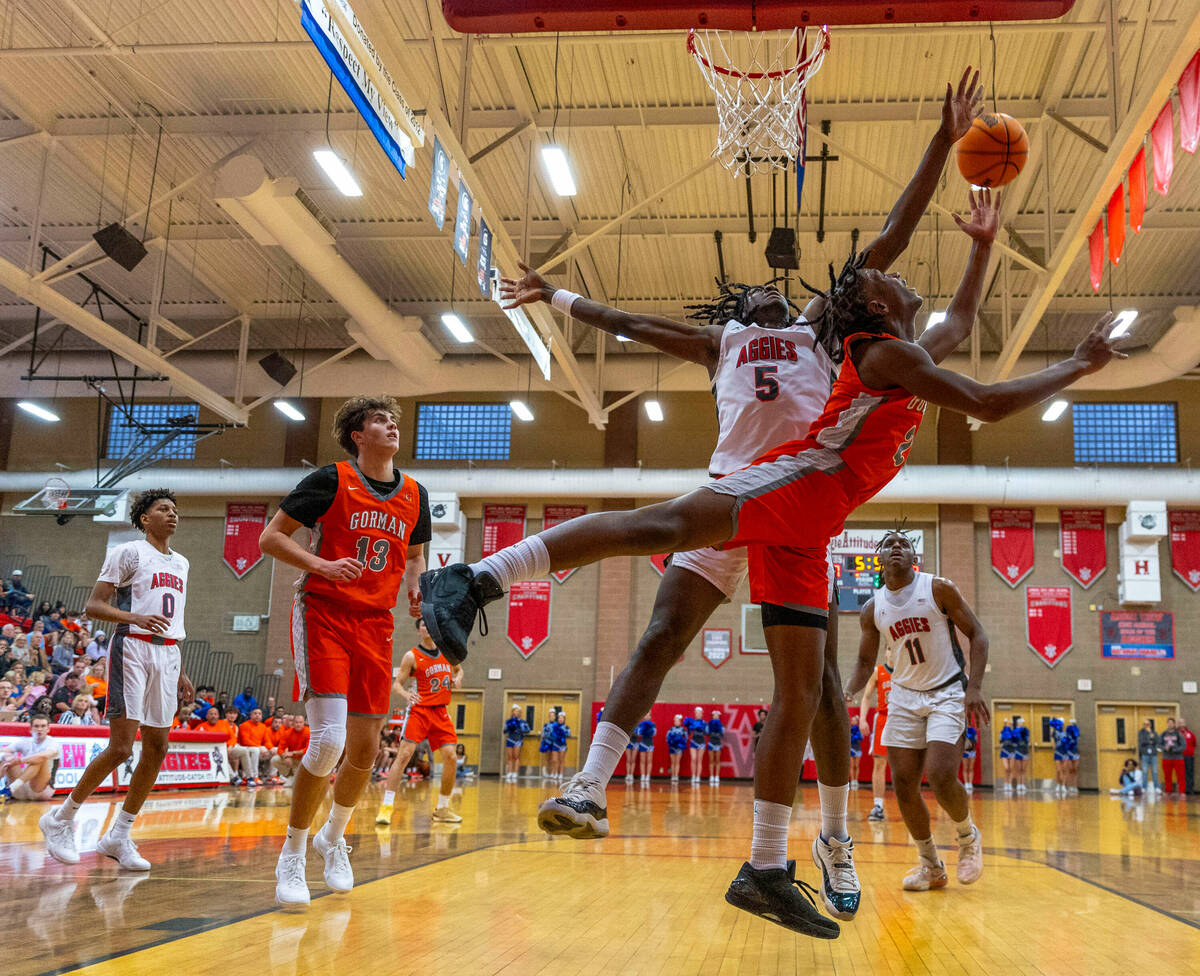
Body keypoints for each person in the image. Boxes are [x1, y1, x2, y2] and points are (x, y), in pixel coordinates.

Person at [421, 189, 1123, 939]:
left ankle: (770, 864)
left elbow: (925, 290)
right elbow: (972, 386)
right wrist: (555, 295)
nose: (867, 276)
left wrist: (980, 239)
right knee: (657, 559)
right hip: (776, 479)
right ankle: (477, 581)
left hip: (810, 519)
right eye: (868, 281)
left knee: (805, 688)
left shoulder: (843, 338)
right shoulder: (838, 344)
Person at [519, 68, 987, 930]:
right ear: (742, 302)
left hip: (800, 514)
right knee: (659, 633)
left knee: (821, 700)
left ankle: (834, 840)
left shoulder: (829, 326)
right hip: (732, 498)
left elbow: (896, 228)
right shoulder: (721, 338)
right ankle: (588, 783)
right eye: (760, 290)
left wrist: (941, 139)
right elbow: (627, 324)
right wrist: (557, 296)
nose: (776, 289)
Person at [259, 395, 431, 910]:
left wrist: (418, 590)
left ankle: (332, 837)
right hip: (324, 613)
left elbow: (416, 556)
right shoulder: (330, 480)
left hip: (376, 623)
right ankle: (291, 851)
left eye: (393, 419)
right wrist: (321, 565)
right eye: (380, 420)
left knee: (364, 750)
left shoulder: (416, 494)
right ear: (358, 434)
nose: (391, 425)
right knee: (329, 739)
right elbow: (271, 538)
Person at [39, 489, 194, 872]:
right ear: (145, 518)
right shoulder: (128, 552)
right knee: (122, 747)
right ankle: (60, 819)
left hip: (168, 653)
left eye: (175, 510)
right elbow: (94, 605)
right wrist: (134, 619)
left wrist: (182, 669)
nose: (172, 515)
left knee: (157, 748)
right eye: (163, 509)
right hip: (133, 647)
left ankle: (119, 835)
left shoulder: (182, 563)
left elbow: (172, 621)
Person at [845, 530, 988, 890]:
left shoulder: (937, 589)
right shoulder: (872, 608)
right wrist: (846, 692)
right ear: (879, 558)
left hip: (946, 692)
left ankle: (968, 839)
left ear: (913, 556)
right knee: (904, 786)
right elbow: (865, 661)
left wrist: (974, 687)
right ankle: (931, 865)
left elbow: (979, 634)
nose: (896, 547)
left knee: (941, 776)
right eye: (888, 544)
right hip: (905, 698)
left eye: (903, 543)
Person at [375, 618, 464, 826]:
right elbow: (396, 684)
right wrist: (406, 695)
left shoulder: (448, 652)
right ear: (418, 631)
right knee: (404, 755)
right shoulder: (411, 656)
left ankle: (442, 808)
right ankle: (386, 808)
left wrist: (458, 678)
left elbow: (459, 670)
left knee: (451, 756)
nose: (427, 627)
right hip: (420, 711)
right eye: (423, 625)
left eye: (429, 624)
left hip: (441, 712)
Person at [859, 650, 893, 822]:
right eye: (889, 649)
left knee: (908, 765)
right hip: (883, 720)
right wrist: (862, 719)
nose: (892, 651)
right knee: (879, 763)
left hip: (904, 719)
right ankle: (878, 806)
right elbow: (866, 696)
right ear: (886, 653)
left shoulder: (907, 671)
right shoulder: (878, 671)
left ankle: (909, 804)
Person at [2, 715, 58, 800]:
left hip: (40, 789)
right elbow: (4, 750)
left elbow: (43, 756)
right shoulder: (24, 741)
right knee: (7, 758)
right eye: (36, 726)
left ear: (48, 729)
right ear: (31, 729)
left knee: (40, 759)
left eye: (43, 726)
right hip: (21, 789)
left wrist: (20, 761)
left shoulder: (53, 743)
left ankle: (12, 788)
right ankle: (8, 790)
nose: (39, 729)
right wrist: (7, 758)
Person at [237, 707, 274, 785]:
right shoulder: (244, 725)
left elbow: (266, 740)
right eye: (255, 713)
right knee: (255, 750)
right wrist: (259, 747)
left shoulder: (263, 726)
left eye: (259, 714)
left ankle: (271, 776)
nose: (257, 715)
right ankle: (254, 776)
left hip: (258, 749)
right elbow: (245, 741)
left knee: (275, 751)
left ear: (261, 716)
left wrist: (271, 748)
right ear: (251, 715)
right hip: (246, 749)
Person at [503, 706, 530, 782]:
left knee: (516, 756)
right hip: (510, 740)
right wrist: (509, 727)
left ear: (520, 713)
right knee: (510, 757)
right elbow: (504, 731)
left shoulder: (523, 722)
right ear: (512, 712)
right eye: (515, 711)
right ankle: (510, 772)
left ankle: (515, 772)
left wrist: (521, 729)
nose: (516, 713)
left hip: (518, 740)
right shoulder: (508, 721)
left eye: (518, 711)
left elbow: (528, 730)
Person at [1161, 718, 1185, 796]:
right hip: (1166, 758)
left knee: (1180, 776)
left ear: (1174, 724)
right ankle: (1168, 791)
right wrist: (1165, 748)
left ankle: (1181, 792)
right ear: (1167, 724)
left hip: (1178, 758)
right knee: (1167, 776)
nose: (1170, 724)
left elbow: (1183, 746)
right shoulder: (1163, 734)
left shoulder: (1178, 734)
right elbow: (1158, 745)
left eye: (1171, 723)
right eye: (1168, 723)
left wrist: (1175, 749)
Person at [686, 706, 708, 785]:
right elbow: (688, 733)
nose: (698, 714)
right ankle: (693, 776)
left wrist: (702, 728)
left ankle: (698, 776)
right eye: (696, 713)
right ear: (695, 714)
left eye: (699, 713)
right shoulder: (692, 722)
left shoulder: (704, 723)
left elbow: (707, 733)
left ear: (702, 714)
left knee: (699, 759)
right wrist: (688, 727)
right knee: (693, 758)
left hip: (701, 742)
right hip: (693, 742)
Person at [1139, 720, 1161, 795]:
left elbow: (1157, 741)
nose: (1146, 725)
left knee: (1154, 771)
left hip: (1153, 754)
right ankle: (1144, 788)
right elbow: (1142, 742)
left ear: (1150, 725)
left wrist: (1151, 734)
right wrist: (1150, 741)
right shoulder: (1141, 733)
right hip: (1145, 754)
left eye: (1148, 724)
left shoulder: (1154, 732)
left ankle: (1157, 787)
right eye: (1145, 724)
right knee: (1145, 772)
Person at [633, 714, 657, 785]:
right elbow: (638, 733)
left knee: (649, 760)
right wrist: (643, 730)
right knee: (642, 760)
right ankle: (643, 775)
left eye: (648, 715)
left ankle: (648, 776)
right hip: (643, 743)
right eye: (645, 715)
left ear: (650, 717)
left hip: (650, 744)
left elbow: (654, 734)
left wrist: (650, 731)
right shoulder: (641, 724)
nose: (647, 717)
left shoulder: (653, 724)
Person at [1012, 716, 1031, 793]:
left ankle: (1023, 784)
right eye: (1020, 723)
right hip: (1017, 751)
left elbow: (1028, 740)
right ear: (1017, 723)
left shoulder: (1026, 731)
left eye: (1022, 723)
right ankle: (1018, 784)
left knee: (1024, 769)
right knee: (1018, 769)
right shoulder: (1015, 731)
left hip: (1025, 751)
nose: (1021, 724)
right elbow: (1014, 741)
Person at [666, 715, 688, 782]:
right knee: (673, 762)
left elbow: (686, 738)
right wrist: (671, 743)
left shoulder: (683, 730)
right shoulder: (671, 729)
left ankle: (676, 776)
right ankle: (673, 775)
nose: (677, 722)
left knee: (677, 762)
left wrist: (681, 744)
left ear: (680, 722)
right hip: (672, 747)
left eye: (678, 721)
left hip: (679, 748)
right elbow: (667, 738)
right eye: (675, 721)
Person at [707, 710, 725, 786]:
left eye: (717, 715)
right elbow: (707, 732)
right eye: (714, 715)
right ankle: (711, 776)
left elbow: (723, 733)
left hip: (718, 743)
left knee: (717, 760)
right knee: (711, 760)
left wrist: (719, 727)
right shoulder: (709, 723)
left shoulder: (721, 724)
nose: (715, 716)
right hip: (711, 742)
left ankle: (717, 776)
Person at [550, 711, 571, 780]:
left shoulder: (566, 727)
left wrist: (563, 732)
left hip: (562, 745)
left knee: (561, 760)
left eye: (562, 718)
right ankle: (555, 772)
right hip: (555, 744)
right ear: (557, 719)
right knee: (554, 760)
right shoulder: (554, 726)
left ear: (564, 719)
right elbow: (551, 734)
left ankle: (561, 773)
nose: (560, 719)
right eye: (559, 718)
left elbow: (568, 734)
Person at [538, 709, 558, 780]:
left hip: (555, 744)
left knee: (554, 759)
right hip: (547, 743)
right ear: (548, 717)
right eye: (550, 716)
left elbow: (558, 734)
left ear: (555, 717)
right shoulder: (546, 725)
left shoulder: (557, 725)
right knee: (547, 758)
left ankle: (553, 772)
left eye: (553, 716)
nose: (551, 717)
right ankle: (545, 771)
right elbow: (543, 734)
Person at [1062, 718, 1080, 793]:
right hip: (1068, 752)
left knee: (1075, 770)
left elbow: (1077, 737)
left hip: (1075, 752)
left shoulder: (1076, 731)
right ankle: (1069, 786)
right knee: (1069, 769)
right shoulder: (1066, 735)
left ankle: (1074, 786)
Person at [1179, 719, 1195, 795]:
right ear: (1178, 724)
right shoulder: (1177, 734)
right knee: (1182, 773)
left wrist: (1190, 750)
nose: (1182, 724)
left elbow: (1194, 743)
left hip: (1189, 756)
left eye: (1183, 722)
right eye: (1180, 723)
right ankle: (1183, 790)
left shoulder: (1190, 733)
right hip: (1180, 757)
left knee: (1190, 773)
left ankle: (1190, 789)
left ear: (1185, 724)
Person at [960, 724, 977, 794]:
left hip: (972, 751)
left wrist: (972, 743)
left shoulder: (974, 731)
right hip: (965, 751)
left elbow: (976, 740)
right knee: (965, 767)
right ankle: (966, 783)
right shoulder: (963, 731)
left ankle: (970, 783)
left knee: (971, 768)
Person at [848, 715, 863, 790]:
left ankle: (856, 780)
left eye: (855, 720)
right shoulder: (849, 729)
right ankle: (852, 780)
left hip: (858, 749)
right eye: (852, 720)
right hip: (851, 749)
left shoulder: (859, 729)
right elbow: (848, 739)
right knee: (852, 765)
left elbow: (861, 738)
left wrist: (857, 736)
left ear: (857, 721)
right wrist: (852, 737)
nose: (853, 721)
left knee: (856, 765)